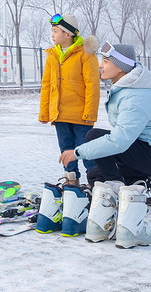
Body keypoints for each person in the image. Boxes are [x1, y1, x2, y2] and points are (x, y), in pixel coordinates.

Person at [59, 43, 151, 207]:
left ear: (121, 67)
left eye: (106, 61)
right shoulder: (127, 88)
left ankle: (118, 188)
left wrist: (77, 152)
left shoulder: (136, 96)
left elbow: (119, 141)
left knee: (94, 136)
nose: (100, 65)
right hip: (146, 152)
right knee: (96, 176)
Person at [39, 13, 100, 186]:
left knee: (85, 150)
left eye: (56, 31)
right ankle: (71, 181)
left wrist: (90, 113)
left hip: (81, 116)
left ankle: (95, 182)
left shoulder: (85, 54)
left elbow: (92, 86)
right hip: (59, 115)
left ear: (68, 34)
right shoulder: (52, 56)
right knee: (66, 151)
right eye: (52, 31)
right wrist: (44, 112)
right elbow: (46, 86)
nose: (52, 35)